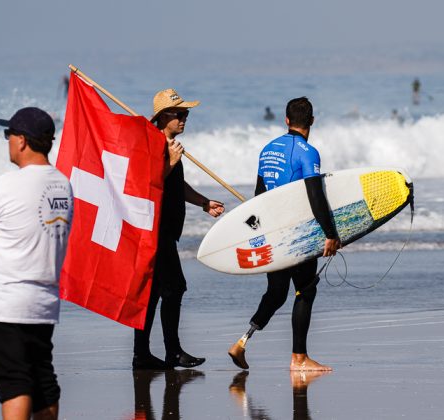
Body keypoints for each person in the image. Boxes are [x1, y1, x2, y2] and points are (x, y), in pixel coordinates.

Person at [0, 107, 73, 419]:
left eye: (9, 135)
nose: (7, 141)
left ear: (22, 141)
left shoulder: (8, 185)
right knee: (43, 384)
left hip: (3, 304)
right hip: (43, 304)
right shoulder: (62, 185)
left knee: (16, 385)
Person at [228, 97, 340, 371]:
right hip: (296, 232)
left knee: (277, 292)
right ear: (311, 121)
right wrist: (330, 233)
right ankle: (299, 359)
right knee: (306, 289)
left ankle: (242, 342)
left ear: (286, 120)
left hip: (271, 231)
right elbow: (315, 195)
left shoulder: (267, 150)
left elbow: (258, 195)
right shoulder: (308, 152)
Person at [132, 88, 225, 370]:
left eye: (186, 114)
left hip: (167, 230)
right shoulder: (152, 145)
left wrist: (203, 202)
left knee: (155, 291)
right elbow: (148, 184)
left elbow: (175, 185)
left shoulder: (170, 144)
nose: (185, 119)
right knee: (173, 287)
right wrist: (170, 162)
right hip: (154, 231)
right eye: (180, 114)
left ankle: (142, 354)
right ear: (163, 117)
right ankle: (170, 352)